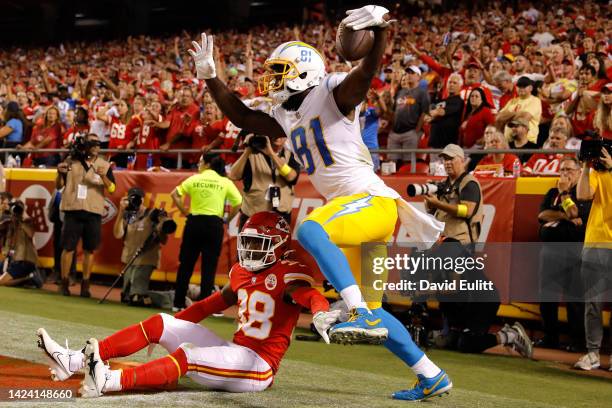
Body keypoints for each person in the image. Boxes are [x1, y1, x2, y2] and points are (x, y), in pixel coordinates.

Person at [190, 5, 451, 401]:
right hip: (364, 215)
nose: (271, 80)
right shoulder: (286, 115)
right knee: (376, 312)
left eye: (280, 72)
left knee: (309, 229)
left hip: (369, 201)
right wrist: (211, 78)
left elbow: (364, 76)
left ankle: (354, 309)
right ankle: (430, 374)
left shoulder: (332, 92)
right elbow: (242, 116)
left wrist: (379, 33)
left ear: (305, 73)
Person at [36, 212, 340, 396]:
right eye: (246, 242)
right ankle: (73, 362)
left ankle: (110, 381)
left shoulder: (289, 272)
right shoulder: (242, 272)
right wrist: (172, 327)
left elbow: (307, 295)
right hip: (236, 351)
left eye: (257, 244)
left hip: (258, 367)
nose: (248, 250)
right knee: (161, 321)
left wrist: (321, 312)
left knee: (189, 355)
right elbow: (207, 306)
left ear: (278, 245)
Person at [171, 153, 242, 311]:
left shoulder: (194, 179)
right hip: (213, 225)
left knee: (186, 264)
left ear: (208, 164)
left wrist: (185, 212)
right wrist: (227, 219)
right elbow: (238, 203)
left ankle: (178, 303)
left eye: (201, 161)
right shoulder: (224, 182)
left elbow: (174, 194)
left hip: (194, 223)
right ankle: (206, 307)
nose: (198, 164)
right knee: (209, 266)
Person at [537, 157, 589, 351]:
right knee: (546, 296)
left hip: (574, 249)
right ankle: (550, 337)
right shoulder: (552, 192)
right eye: (562, 169)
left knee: (575, 298)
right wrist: (564, 215)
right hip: (550, 250)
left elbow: (577, 214)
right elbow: (542, 215)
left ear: (578, 172)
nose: (564, 173)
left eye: (569, 170)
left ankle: (577, 342)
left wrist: (565, 194)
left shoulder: (582, 192)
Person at [56, 133, 116, 297]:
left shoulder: (104, 164)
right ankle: (64, 281)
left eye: (98, 144)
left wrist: (103, 176)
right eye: (93, 143)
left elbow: (112, 189)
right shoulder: (71, 161)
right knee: (68, 248)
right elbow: (59, 185)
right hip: (73, 208)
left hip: (93, 210)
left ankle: (85, 284)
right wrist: (60, 173)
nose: (96, 147)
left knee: (90, 249)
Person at [574, 146, 612, 371]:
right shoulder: (597, 172)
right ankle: (593, 353)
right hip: (596, 241)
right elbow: (583, 195)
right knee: (593, 303)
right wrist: (586, 166)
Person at [113, 187, 170, 306]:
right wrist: (121, 211)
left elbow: (164, 239)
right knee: (126, 297)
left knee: (136, 298)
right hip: (130, 260)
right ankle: (152, 295)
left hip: (146, 259)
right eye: (132, 198)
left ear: (143, 199)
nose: (135, 201)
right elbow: (118, 235)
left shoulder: (152, 214)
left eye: (138, 198)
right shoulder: (127, 216)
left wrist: (162, 225)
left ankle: (171, 298)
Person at [229, 134, 300, 231]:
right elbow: (233, 175)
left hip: (281, 216)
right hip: (253, 216)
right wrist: (247, 151)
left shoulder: (290, 155)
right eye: (273, 133)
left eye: (281, 134)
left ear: (286, 138)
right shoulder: (251, 155)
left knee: (279, 246)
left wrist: (271, 153)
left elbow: (291, 177)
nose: (278, 137)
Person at [384, 66, 429, 165]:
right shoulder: (400, 92)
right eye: (407, 73)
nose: (409, 75)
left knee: (408, 164)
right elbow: (395, 111)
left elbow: (424, 112)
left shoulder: (422, 93)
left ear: (418, 76)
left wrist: (416, 131)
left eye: (412, 73)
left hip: (410, 132)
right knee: (391, 164)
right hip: (395, 132)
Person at [0, 197, 42, 288]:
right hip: (12, 260)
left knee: (1, 282)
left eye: (17, 208)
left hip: (25, 261)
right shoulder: (9, 222)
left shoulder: (28, 221)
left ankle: (30, 278)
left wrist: (20, 220)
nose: (15, 211)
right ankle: (25, 280)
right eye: (13, 208)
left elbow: (31, 234)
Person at [497, 76, 541, 144]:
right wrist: (518, 114)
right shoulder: (512, 101)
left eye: (524, 86)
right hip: (509, 142)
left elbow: (524, 118)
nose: (521, 88)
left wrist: (508, 116)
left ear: (531, 88)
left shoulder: (535, 100)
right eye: (519, 86)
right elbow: (499, 118)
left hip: (527, 142)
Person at [426, 73, 464, 148]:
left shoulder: (459, 101)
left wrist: (431, 114)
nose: (451, 85)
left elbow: (441, 112)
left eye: (454, 83)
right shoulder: (441, 100)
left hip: (448, 144)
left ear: (460, 86)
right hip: (434, 142)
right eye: (450, 82)